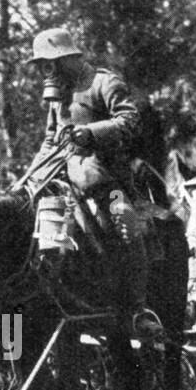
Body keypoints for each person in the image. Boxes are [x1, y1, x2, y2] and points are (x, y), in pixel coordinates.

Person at [25, 27, 161, 337]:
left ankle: (138, 308)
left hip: (108, 180)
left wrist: (91, 133)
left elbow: (130, 121)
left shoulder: (103, 82)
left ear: (66, 58)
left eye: (51, 63)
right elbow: (50, 140)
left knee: (125, 224)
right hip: (64, 180)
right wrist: (31, 177)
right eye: (43, 66)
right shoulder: (57, 95)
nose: (48, 71)